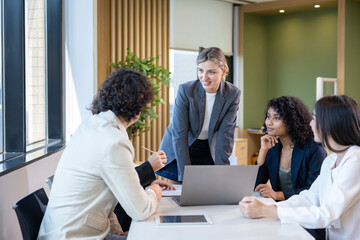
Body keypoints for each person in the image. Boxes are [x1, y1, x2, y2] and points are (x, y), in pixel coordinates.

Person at [38, 69, 166, 239]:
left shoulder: (88, 127)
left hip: (60, 232)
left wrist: (116, 231)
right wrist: (153, 191)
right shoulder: (114, 141)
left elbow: (101, 195)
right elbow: (141, 210)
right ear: (137, 108)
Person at [239, 95, 360, 240]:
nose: (310, 124)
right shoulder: (331, 160)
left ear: (330, 123)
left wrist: (269, 211)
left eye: (315, 119)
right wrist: (271, 208)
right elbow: (308, 198)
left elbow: (326, 213)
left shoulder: (355, 160)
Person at [156, 47, 241, 182]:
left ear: (223, 70)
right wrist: (186, 176)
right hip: (181, 148)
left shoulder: (232, 94)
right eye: (200, 70)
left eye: (211, 72)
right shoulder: (186, 91)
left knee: (210, 190)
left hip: (207, 148)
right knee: (179, 194)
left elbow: (225, 137)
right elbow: (179, 134)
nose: (204, 77)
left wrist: (222, 174)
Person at [255, 96, 326, 201]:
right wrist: (263, 151)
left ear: (291, 121)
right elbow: (255, 186)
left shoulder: (313, 148)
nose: (269, 122)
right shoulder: (272, 146)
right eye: (268, 116)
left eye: (276, 118)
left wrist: (278, 195)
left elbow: (313, 190)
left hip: (305, 208)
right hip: (279, 207)